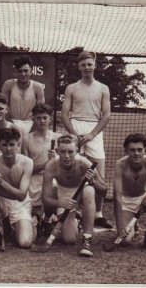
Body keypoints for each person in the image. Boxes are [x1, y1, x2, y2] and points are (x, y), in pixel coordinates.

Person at [61, 50, 112, 229]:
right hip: (75, 127)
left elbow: (106, 115)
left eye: (90, 64)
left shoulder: (103, 88)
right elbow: (65, 114)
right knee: (74, 170)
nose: (87, 67)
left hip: (94, 130)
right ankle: (77, 212)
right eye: (83, 65)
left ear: (95, 65)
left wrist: (92, 134)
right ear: (79, 67)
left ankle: (98, 213)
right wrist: (73, 134)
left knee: (100, 176)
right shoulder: (72, 88)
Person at [42, 134, 108, 257]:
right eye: (63, 152)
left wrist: (93, 182)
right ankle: (76, 218)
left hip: (82, 194)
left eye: (70, 152)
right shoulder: (51, 166)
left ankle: (87, 240)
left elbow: (104, 191)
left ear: (77, 151)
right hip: (64, 196)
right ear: (57, 151)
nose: (67, 156)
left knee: (89, 190)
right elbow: (45, 199)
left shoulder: (85, 163)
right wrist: (61, 203)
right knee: (69, 239)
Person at [0, 128, 34, 248]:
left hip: (20, 204)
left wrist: (1, 182)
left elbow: (22, 196)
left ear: (18, 145)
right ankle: (0, 226)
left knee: (25, 243)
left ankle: (32, 222)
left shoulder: (27, 162)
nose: (8, 149)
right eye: (4, 145)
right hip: (1, 202)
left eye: (12, 144)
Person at [113, 133, 146, 251]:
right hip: (126, 201)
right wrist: (119, 226)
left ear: (145, 150)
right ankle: (132, 224)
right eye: (132, 150)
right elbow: (117, 197)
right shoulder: (120, 165)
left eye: (140, 149)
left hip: (145, 196)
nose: (137, 153)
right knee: (124, 241)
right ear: (126, 151)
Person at [22, 103, 59, 235]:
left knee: (54, 188)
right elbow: (26, 168)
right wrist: (46, 164)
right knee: (33, 233)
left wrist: (56, 160)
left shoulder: (58, 138)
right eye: (38, 118)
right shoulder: (26, 139)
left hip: (52, 179)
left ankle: (48, 219)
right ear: (33, 119)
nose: (42, 121)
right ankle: (36, 218)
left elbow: (66, 168)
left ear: (50, 118)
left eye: (45, 117)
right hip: (32, 179)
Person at [1, 56, 45, 134]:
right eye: (20, 71)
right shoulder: (8, 84)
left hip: (31, 124)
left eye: (25, 71)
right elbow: (3, 107)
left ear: (31, 71)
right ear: (15, 72)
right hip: (11, 123)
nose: (23, 74)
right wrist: (11, 127)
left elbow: (40, 112)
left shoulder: (37, 87)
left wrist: (31, 132)